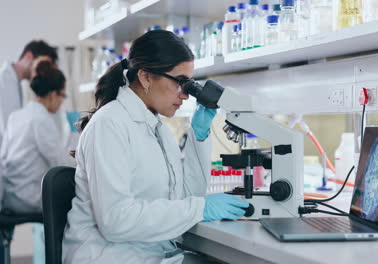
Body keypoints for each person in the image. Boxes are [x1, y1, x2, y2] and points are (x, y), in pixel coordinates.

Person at [62, 30, 249, 263]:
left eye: (189, 84)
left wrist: (198, 135)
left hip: (148, 253)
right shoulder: (109, 125)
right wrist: (200, 208)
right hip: (108, 256)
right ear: (146, 77)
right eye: (181, 82)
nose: (186, 95)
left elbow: (189, 196)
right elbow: (116, 221)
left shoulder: (157, 129)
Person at [0, 58, 75, 213]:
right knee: (80, 202)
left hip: (10, 195)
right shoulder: (41, 119)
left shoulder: (17, 116)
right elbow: (60, 161)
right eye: (62, 96)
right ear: (53, 95)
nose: (62, 102)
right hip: (29, 199)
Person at [0, 40, 58, 148]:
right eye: (42, 65)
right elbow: (8, 132)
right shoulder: (4, 81)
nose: (42, 72)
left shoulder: (15, 82)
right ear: (28, 56)